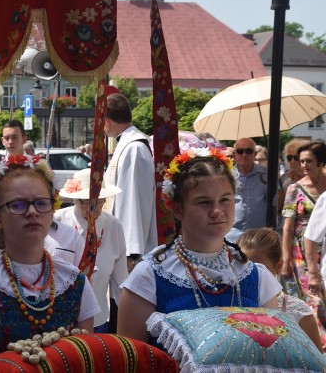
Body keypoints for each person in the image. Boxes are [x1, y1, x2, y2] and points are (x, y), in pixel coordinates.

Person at [0, 155, 99, 371]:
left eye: (41, 203)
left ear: (52, 210)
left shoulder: (74, 282)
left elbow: (84, 361)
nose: (32, 211)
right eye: (18, 205)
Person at [117, 148, 281, 343]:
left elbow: (275, 350)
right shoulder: (150, 276)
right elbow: (131, 357)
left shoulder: (255, 275)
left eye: (225, 199)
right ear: (177, 209)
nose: (217, 211)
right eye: (204, 202)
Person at [54, 168, 127, 333]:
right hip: (58, 320)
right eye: (86, 201)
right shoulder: (56, 221)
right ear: (75, 201)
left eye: (99, 200)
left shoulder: (113, 226)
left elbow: (120, 281)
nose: (94, 207)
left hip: (98, 320)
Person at [237, 227, 322, 351]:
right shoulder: (230, 303)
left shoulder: (299, 312)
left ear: (279, 266)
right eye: (244, 269)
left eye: (259, 269)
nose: (252, 275)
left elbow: (317, 364)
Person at [103, 93, 157, 270]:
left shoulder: (134, 148)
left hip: (131, 253)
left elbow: (132, 202)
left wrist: (131, 252)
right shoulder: (127, 144)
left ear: (107, 121)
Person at [280, 141, 326, 347]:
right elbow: (288, 227)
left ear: (321, 163)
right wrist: (285, 258)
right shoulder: (294, 189)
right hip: (301, 251)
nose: (304, 165)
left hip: (324, 249)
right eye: (302, 161)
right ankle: (316, 343)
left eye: (309, 161)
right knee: (312, 298)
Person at [232, 137, 268, 232]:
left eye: (248, 151)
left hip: (259, 233)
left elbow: (277, 202)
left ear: (255, 154)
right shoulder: (227, 176)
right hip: (233, 232)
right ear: (234, 154)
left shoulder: (266, 175)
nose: (244, 155)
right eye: (240, 151)